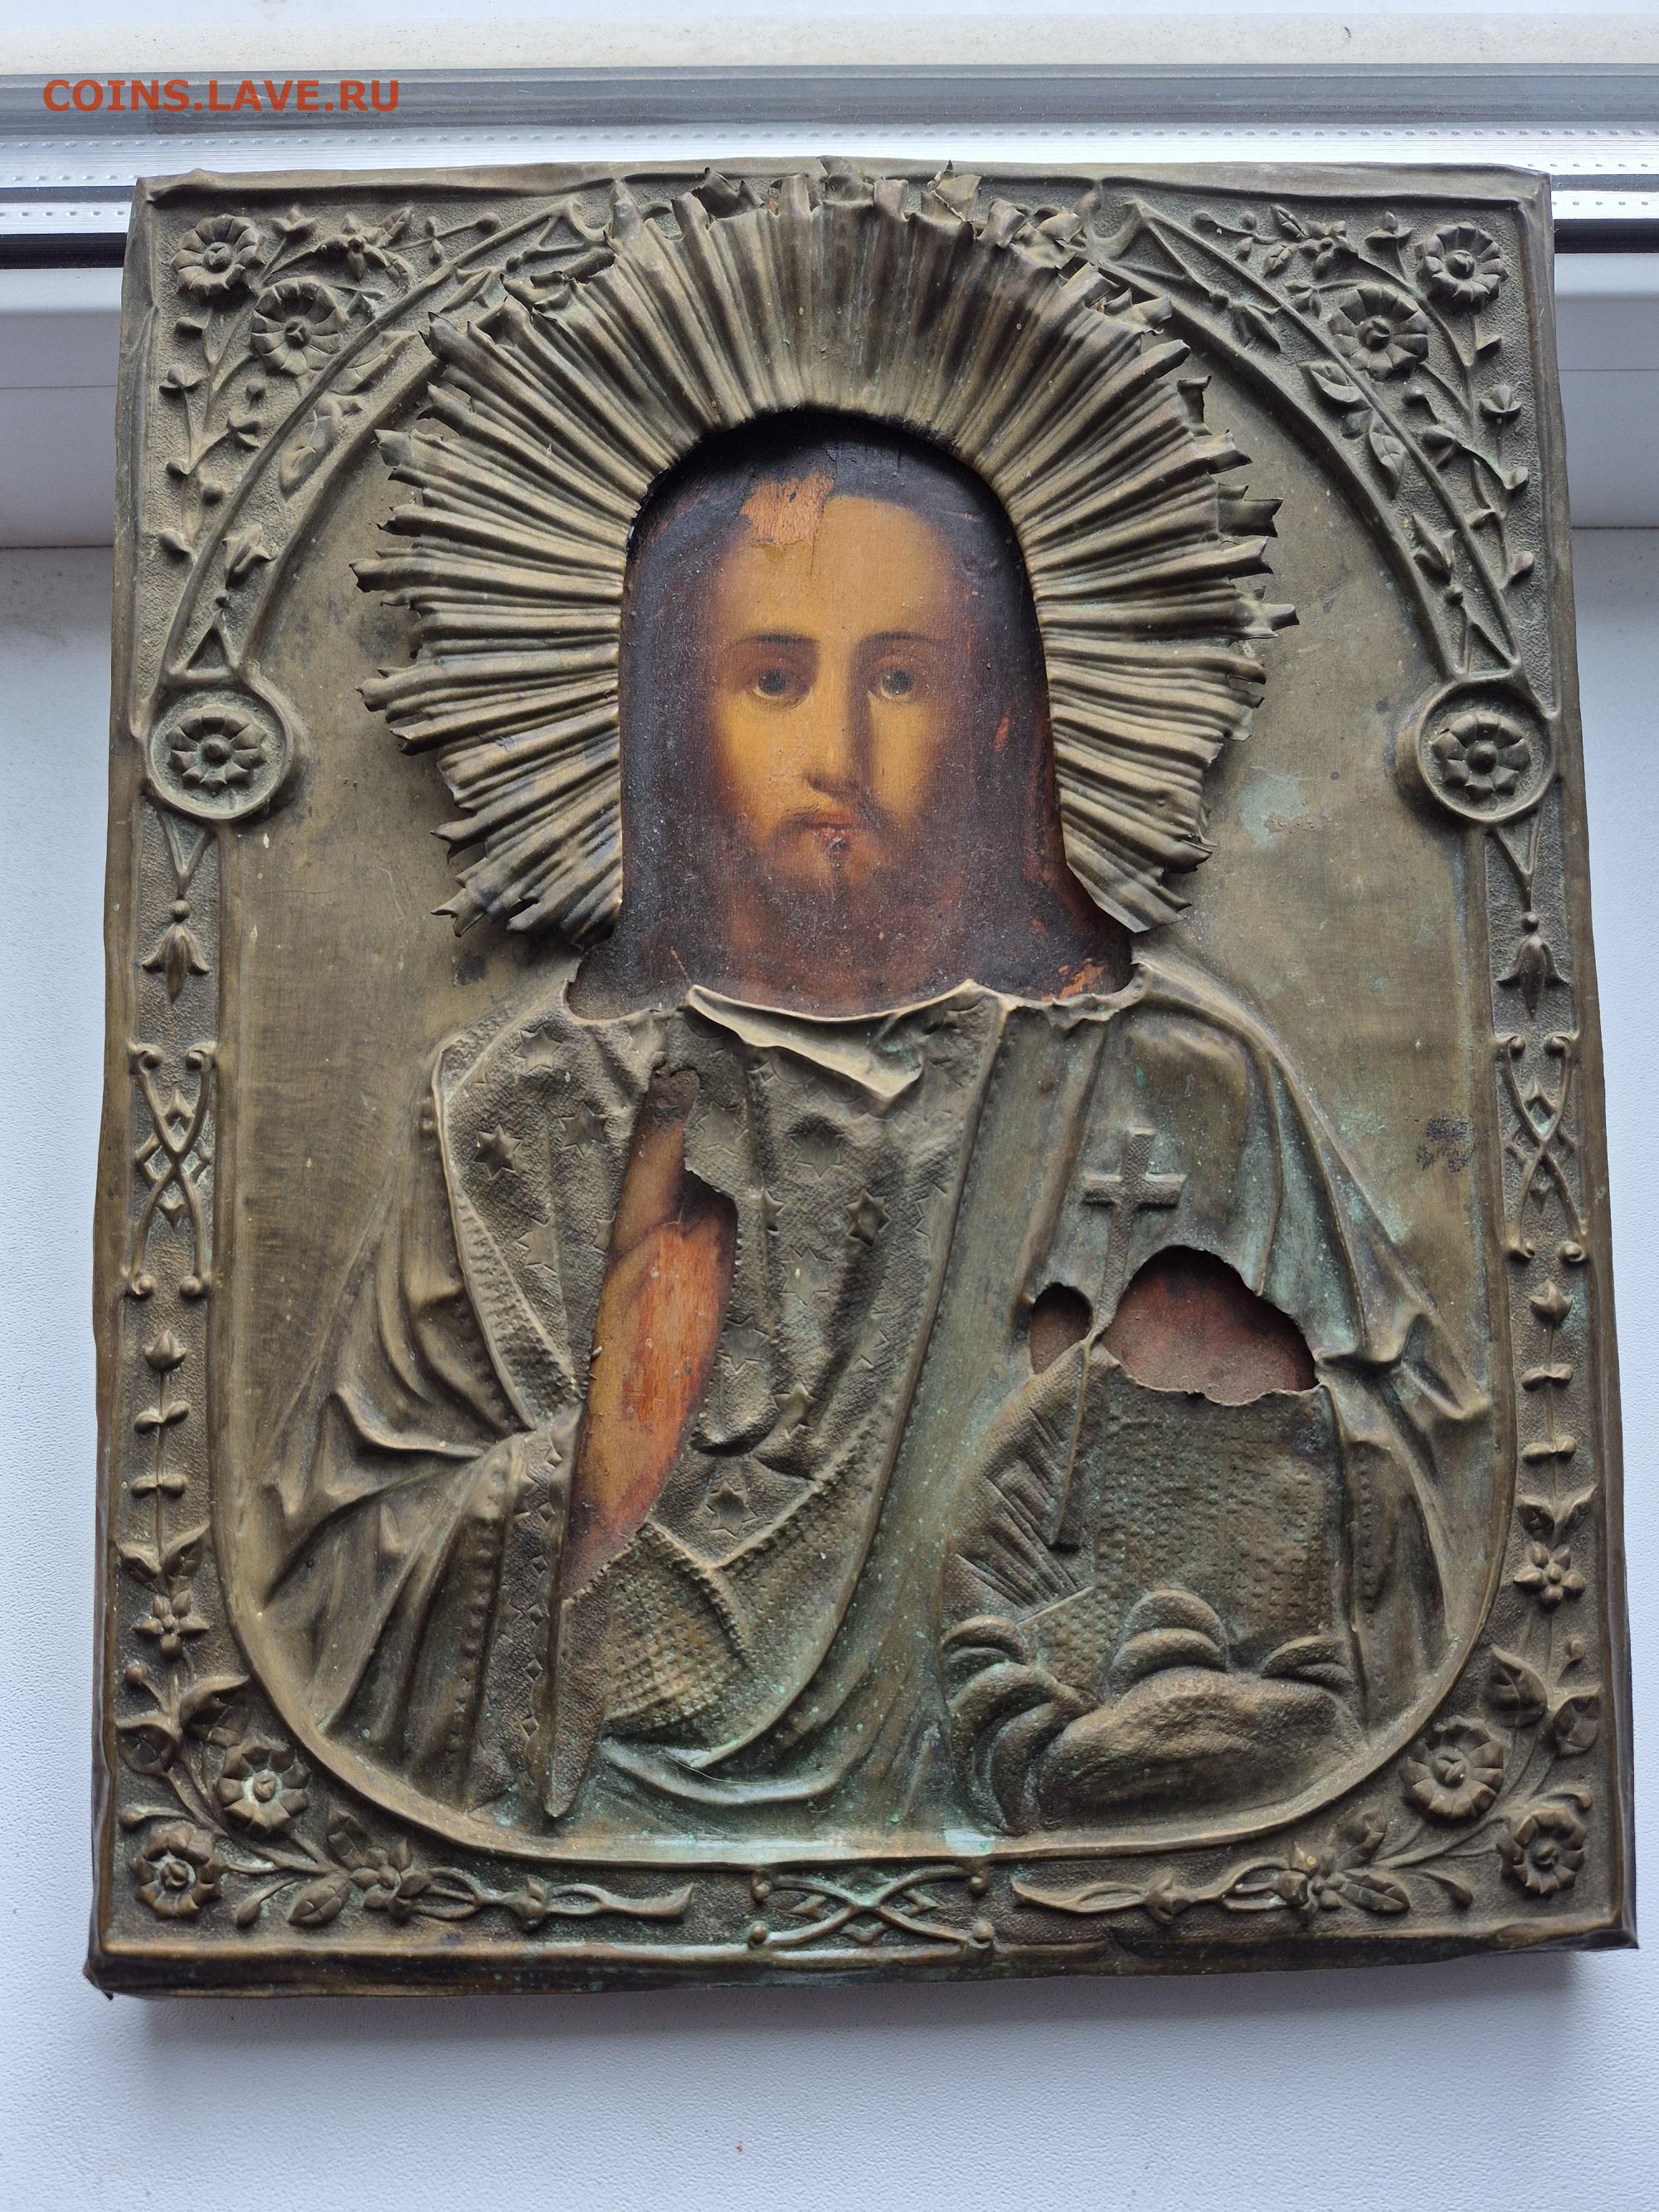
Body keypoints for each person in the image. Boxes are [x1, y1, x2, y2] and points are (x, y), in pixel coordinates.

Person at [257, 417, 1488, 1847]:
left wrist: (1229, 1447)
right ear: (676, 725)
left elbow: (1450, 1517)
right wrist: (584, 1486)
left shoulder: (1177, 1085)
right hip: (614, 1850)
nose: (836, 752)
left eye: (900, 678)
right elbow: (317, 1605)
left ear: (1000, 725)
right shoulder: (521, 1115)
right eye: (773, 678)